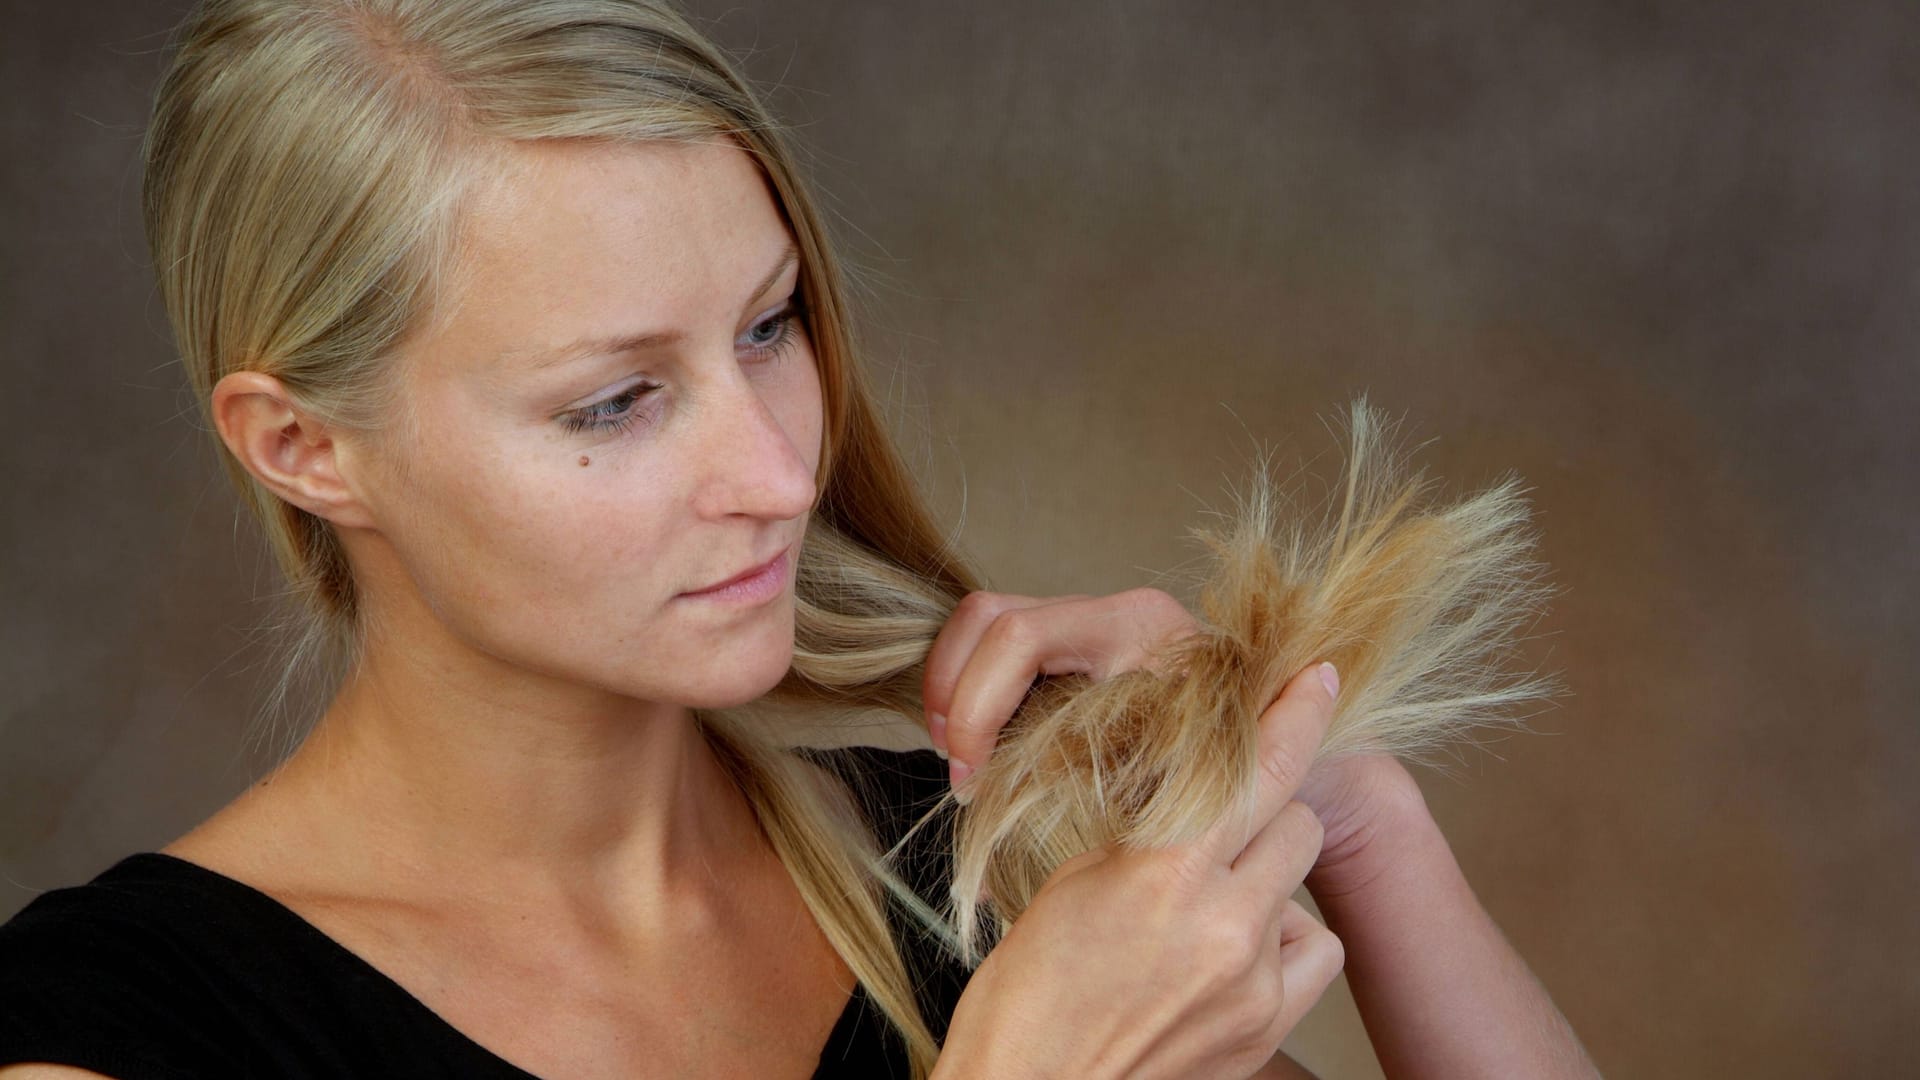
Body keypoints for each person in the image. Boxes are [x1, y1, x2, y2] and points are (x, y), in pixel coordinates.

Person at [0, 1, 1601, 1077]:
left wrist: (1346, 819)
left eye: (769, 328)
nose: (775, 472)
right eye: (617, 402)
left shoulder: (978, 874)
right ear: (302, 447)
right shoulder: (115, 1025)